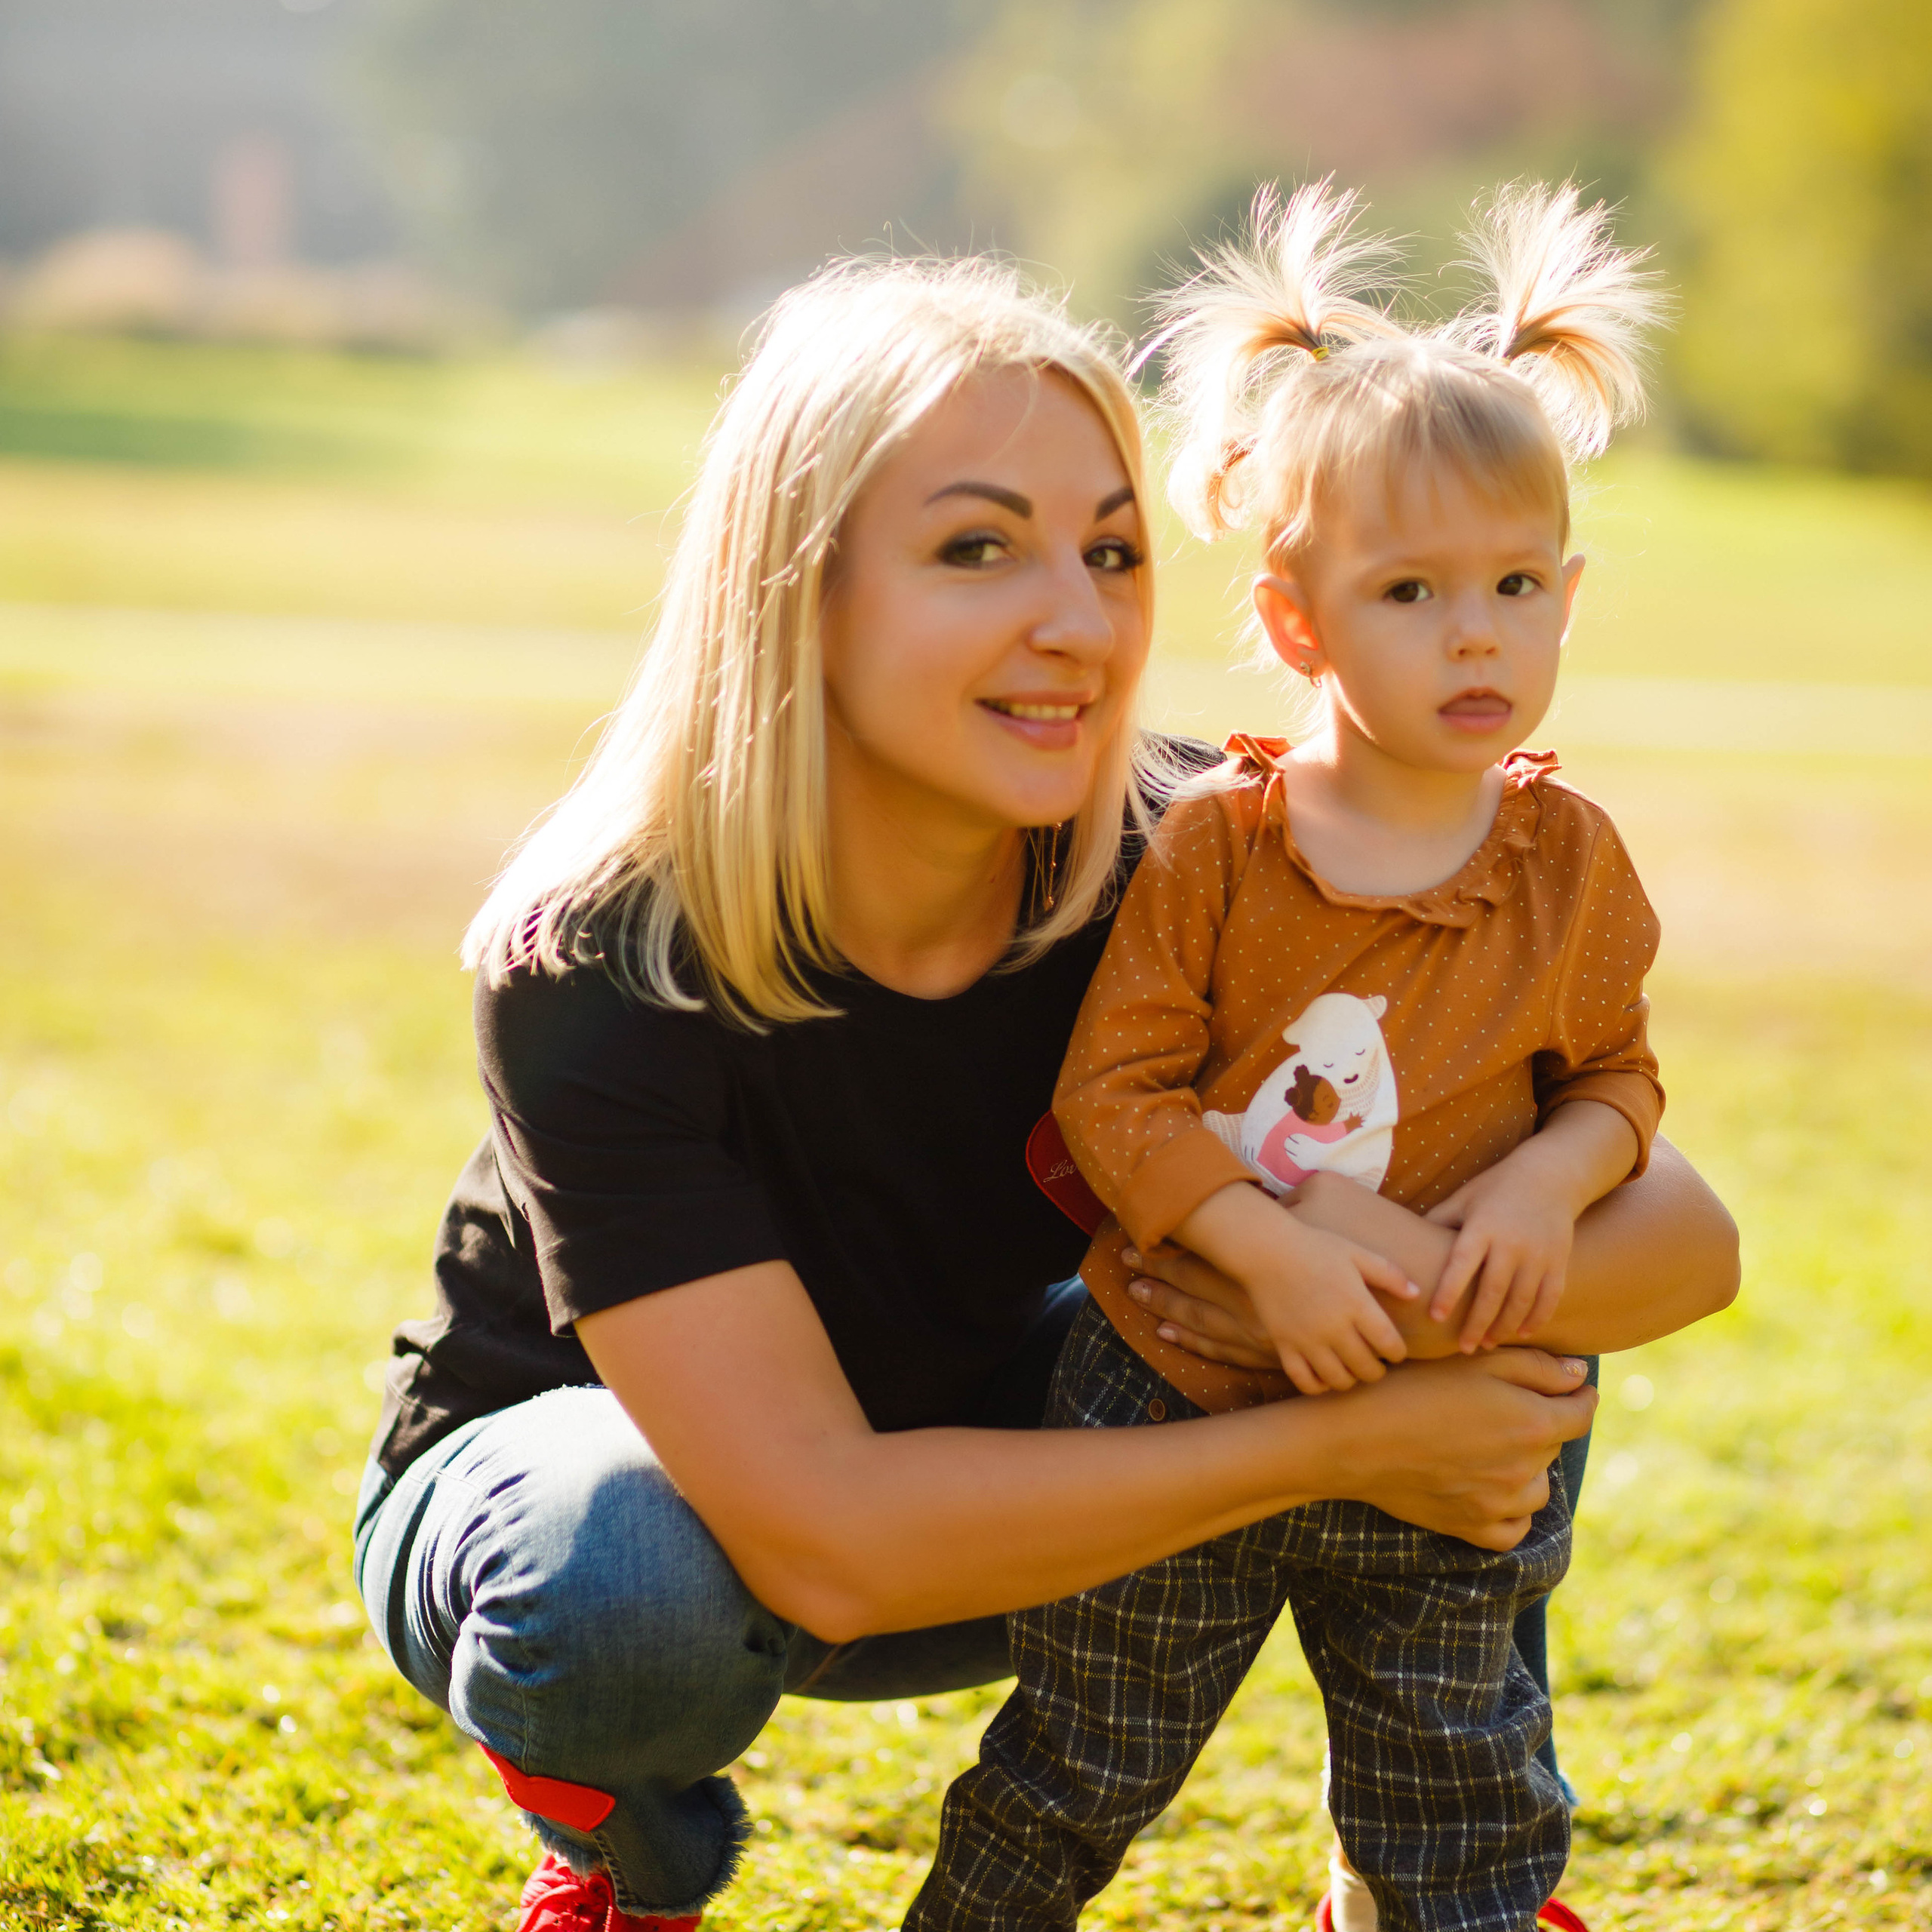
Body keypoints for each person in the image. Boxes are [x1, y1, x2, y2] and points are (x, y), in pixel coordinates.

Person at [349, 253, 1737, 1932]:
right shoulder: (596, 959)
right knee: (620, 1584)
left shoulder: (1200, 858)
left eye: (1111, 551)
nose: (1077, 622)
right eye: (977, 548)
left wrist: (1415, 1263)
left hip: (1024, 1478)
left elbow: (1681, 1241)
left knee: (1501, 1285)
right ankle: (626, 1861)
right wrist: (1356, 1437)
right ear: (796, 587)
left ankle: (1415, 1868)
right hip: (683, 1522)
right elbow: (825, 1540)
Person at [908, 183, 1672, 1932]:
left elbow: (1616, 1078)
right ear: (1297, 616)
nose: (1474, 632)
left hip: (1448, 1409)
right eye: (1409, 590)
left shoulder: (1568, 861)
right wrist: (1258, 1244)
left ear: (1564, 597)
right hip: (1180, 1379)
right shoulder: (1219, 845)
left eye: (1513, 585)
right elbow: (1113, 1094)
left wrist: (1550, 1180)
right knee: (1080, 1755)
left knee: (1456, 1780)